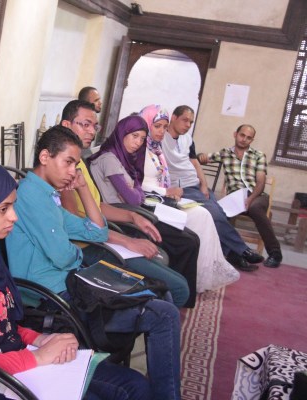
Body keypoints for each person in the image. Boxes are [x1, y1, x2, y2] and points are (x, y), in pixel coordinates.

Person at [0, 158, 151, 400]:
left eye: (12, 206)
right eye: (3, 209)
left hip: (14, 365)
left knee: (134, 385)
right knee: (126, 390)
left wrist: (41, 339)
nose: (13, 217)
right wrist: (39, 356)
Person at [6, 126, 183, 400]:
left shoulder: (48, 196)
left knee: (162, 294)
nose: (72, 172)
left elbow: (96, 231)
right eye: (68, 162)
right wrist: (77, 256)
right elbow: (63, 256)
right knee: (164, 314)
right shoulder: (30, 196)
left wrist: (82, 188)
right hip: (55, 299)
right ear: (44, 157)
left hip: (73, 284)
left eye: (76, 166)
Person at [60, 100, 199, 307]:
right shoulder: (64, 166)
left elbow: (97, 206)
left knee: (177, 282)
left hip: (101, 234)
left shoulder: (78, 161)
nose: (92, 131)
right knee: (178, 289)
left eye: (94, 126)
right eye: (85, 125)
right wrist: (126, 241)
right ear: (66, 125)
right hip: (88, 247)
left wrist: (133, 216)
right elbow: (77, 228)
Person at [92, 105, 238, 293]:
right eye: (134, 136)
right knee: (187, 241)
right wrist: (135, 191)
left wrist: (134, 190)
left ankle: (185, 290)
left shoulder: (128, 156)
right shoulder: (111, 159)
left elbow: (136, 187)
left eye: (142, 138)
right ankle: (180, 292)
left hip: (138, 208)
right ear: (122, 133)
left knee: (193, 235)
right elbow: (134, 196)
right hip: (128, 214)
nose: (138, 142)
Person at [160, 105, 264, 272]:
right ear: (174, 117)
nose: (188, 125)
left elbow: (195, 163)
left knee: (219, 213)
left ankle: (233, 254)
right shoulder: (160, 137)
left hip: (195, 184)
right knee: (215, 214)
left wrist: (204, 185)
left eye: (191, 122)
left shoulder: (187, 139)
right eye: (185, 120)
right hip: (181, 186)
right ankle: (242, 250)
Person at [197, 124, 282, 267]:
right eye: (242, 135)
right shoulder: (225, 153)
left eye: (248, 138)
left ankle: (275, 253)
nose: (244, 139)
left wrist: (250, 199)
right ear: (235, 134)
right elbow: (201, 158)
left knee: (255, 208)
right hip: (234, 199)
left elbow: (261, 182)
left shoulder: (258, 155)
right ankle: (234, 255)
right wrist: (201, 156)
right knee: (216, 214)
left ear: (252, 140)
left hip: (256, 195)